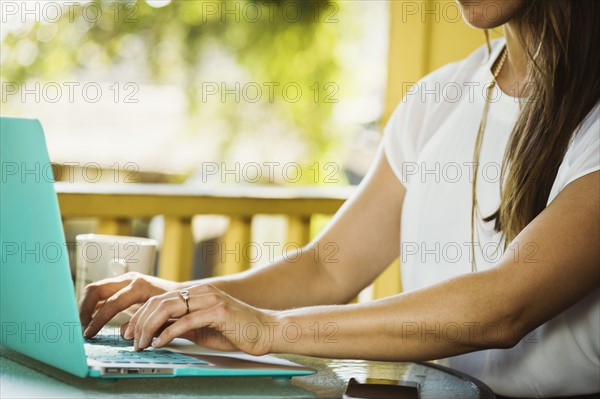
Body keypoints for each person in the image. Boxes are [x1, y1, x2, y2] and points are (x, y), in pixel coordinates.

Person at [78, 0, 599, 397]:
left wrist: (271, 330)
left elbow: (504, 308)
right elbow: (326, 272)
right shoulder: (439, 98)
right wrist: (187, 299)